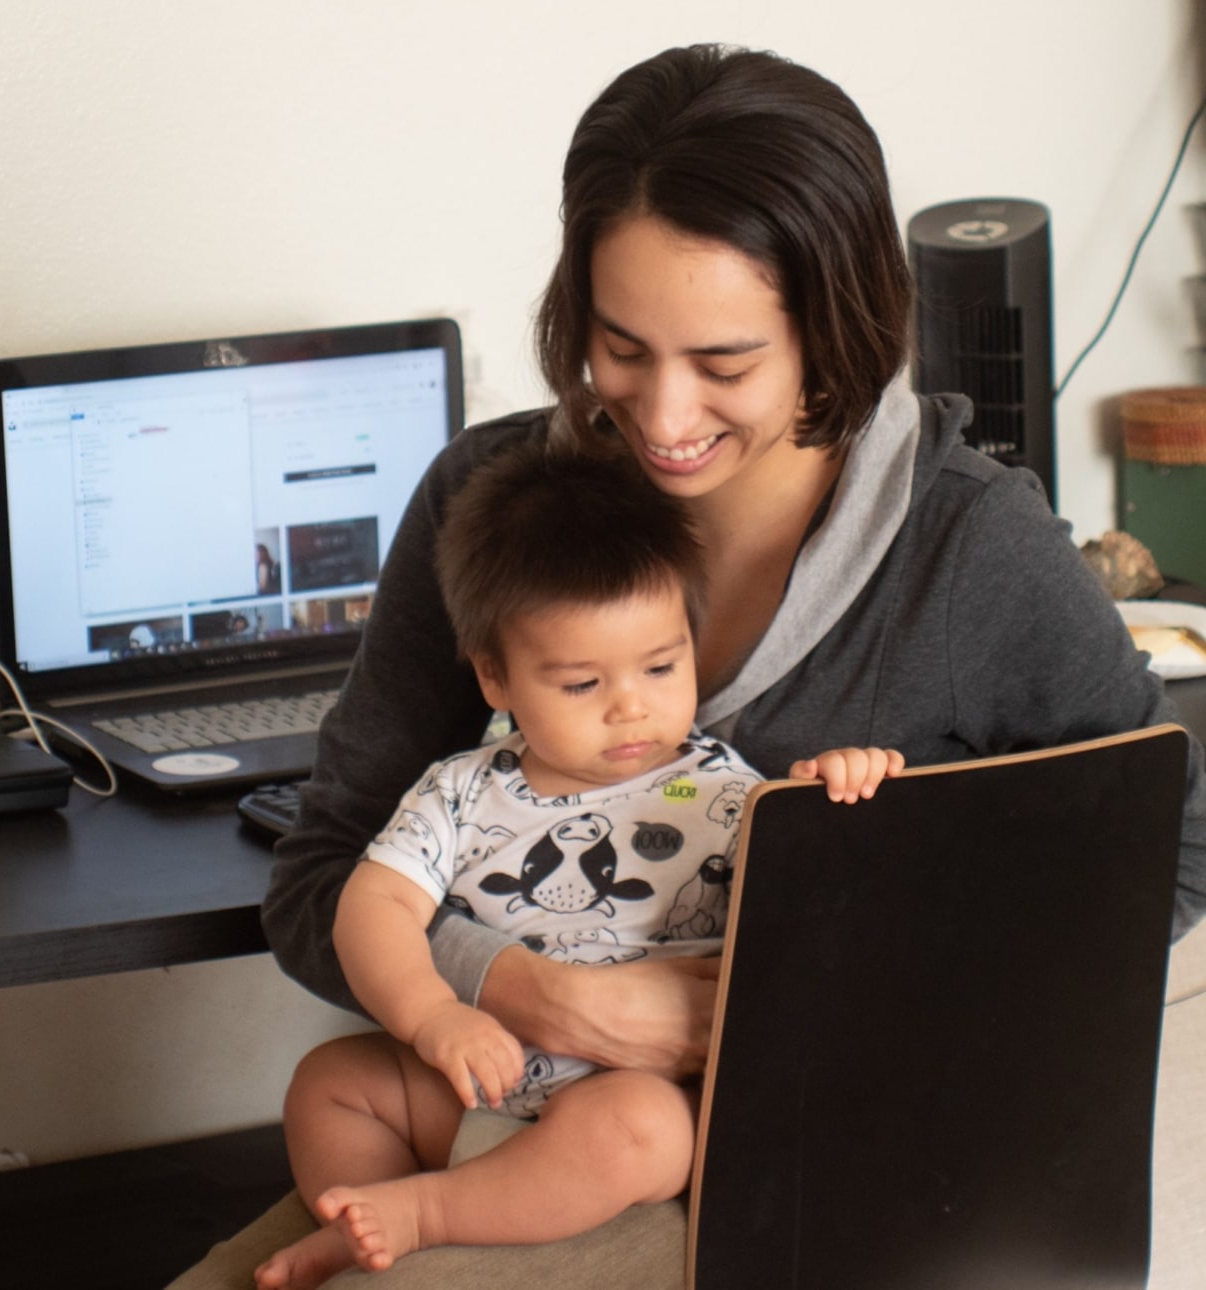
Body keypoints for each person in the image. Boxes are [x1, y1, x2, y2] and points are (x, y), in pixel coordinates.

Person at [250, 40, 1206, 1289]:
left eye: (725, 363)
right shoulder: (490, 507)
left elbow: (1164, 849)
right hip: (512, 1124)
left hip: (821, 1166)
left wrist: (806, 1008)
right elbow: (319, 881)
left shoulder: (966, 549)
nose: (660, 419)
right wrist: (522, 990)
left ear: (833, 327)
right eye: (621, 347)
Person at [255, 443, 903, 1287]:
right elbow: (369, 907)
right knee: (328, 1084)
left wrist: (837, 798)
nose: (631, 705)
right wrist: (430, 1019)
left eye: (662, 666)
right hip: (480, 1082)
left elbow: (823, 907)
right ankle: (367, 1229)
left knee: (648, 1129)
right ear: (496, 677)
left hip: (618, 1106)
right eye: (579, 684)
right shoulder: (457, 792)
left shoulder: (724, 793)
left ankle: (426, 1216)